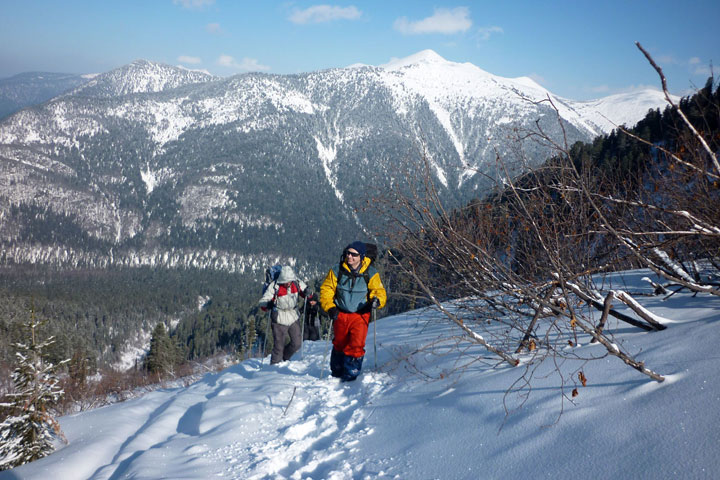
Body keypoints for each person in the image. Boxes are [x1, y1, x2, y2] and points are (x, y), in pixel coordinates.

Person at [320, 241, 387, 381]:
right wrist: (330, 307)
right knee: (340, 342)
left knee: (356, 344)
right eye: (348, 253)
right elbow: (326, 289)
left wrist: (377, 301)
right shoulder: (337, 270)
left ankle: (351, 373)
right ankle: (337, 371)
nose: (349, 257)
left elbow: (379, 291)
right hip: (340, 313)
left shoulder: (371, 273)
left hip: (361, 314)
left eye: (354, 254)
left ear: (361, 256)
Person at [259, 265, 308, 364]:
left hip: (293, 316)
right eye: (286, 281)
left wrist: (308, 293)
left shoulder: (296, 283)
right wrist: (268, 304)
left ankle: (285, 357)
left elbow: (306, 292)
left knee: (297, 343)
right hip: (279, 318)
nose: (288, 283)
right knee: (278, 347)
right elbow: (262, 303)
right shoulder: (274, 286)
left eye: (290, 281)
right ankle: (274, 368)